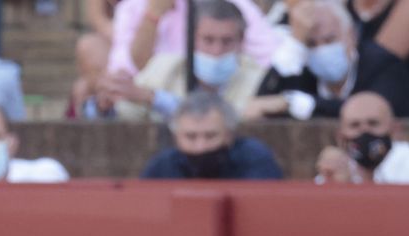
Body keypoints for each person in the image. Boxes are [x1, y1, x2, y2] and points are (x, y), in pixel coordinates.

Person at [248, 0, 409, 118]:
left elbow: (371, 113)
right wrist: (297, 43)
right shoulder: (303, 71)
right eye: (311, 43)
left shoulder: (382, 64)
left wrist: (299, 104)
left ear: (352, 35)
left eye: (329, 40)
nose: (321, 49)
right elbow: (263, 101)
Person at [106, 0, 267, 120]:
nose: (217, 51)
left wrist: (157, 100)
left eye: (227, 41)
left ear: (241, 42)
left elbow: (228, 119)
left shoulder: (258, 80)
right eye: (208, 40)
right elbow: (125, 109)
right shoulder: (164, 68)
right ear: (191, 39)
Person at [106, 0, 276, 76]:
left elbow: (273, 61)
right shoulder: (131, 7)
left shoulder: (237, 4)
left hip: (228, 102)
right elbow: (124, 72)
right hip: (152, 108)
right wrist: (153, 16)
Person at [140, 90, 282, 178]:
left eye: (210, 136)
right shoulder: (164, 166)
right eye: (191, 137)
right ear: (176, 136)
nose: (201, 146)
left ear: (228, 134)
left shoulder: (254, 159)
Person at [315, 90, 409, 183]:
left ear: (395, 129)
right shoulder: (338, 167)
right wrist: (338, 187)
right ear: (340, 136)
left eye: (373, 123)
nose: (364, 131)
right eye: (354, 125)